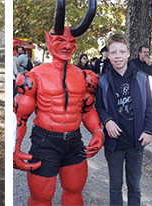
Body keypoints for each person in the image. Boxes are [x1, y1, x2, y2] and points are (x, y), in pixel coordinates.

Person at [13, 1, 103, 205]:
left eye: (72, 41)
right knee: (41, 197)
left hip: (73, 141)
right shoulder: (33, 76)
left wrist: (97, 132)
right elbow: (20, 116)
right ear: (48, 40)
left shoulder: (85, 77)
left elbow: (87, 110)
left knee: (74, 191)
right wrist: (14, 149)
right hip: (45, 142)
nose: (67, 45)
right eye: (61, 39)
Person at [95, 33, 152, 206]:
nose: (118, 56)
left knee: (134, 186)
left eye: (122, 51)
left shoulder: (141, 78)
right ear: (108, 54)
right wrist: (107, 121)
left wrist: (149, 130)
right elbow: (99, 106)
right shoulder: (104, 81)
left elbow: (149, 106)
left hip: (136, 141)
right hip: (114, 144)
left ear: (129, 53)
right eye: (113, 52)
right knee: (115, 186)